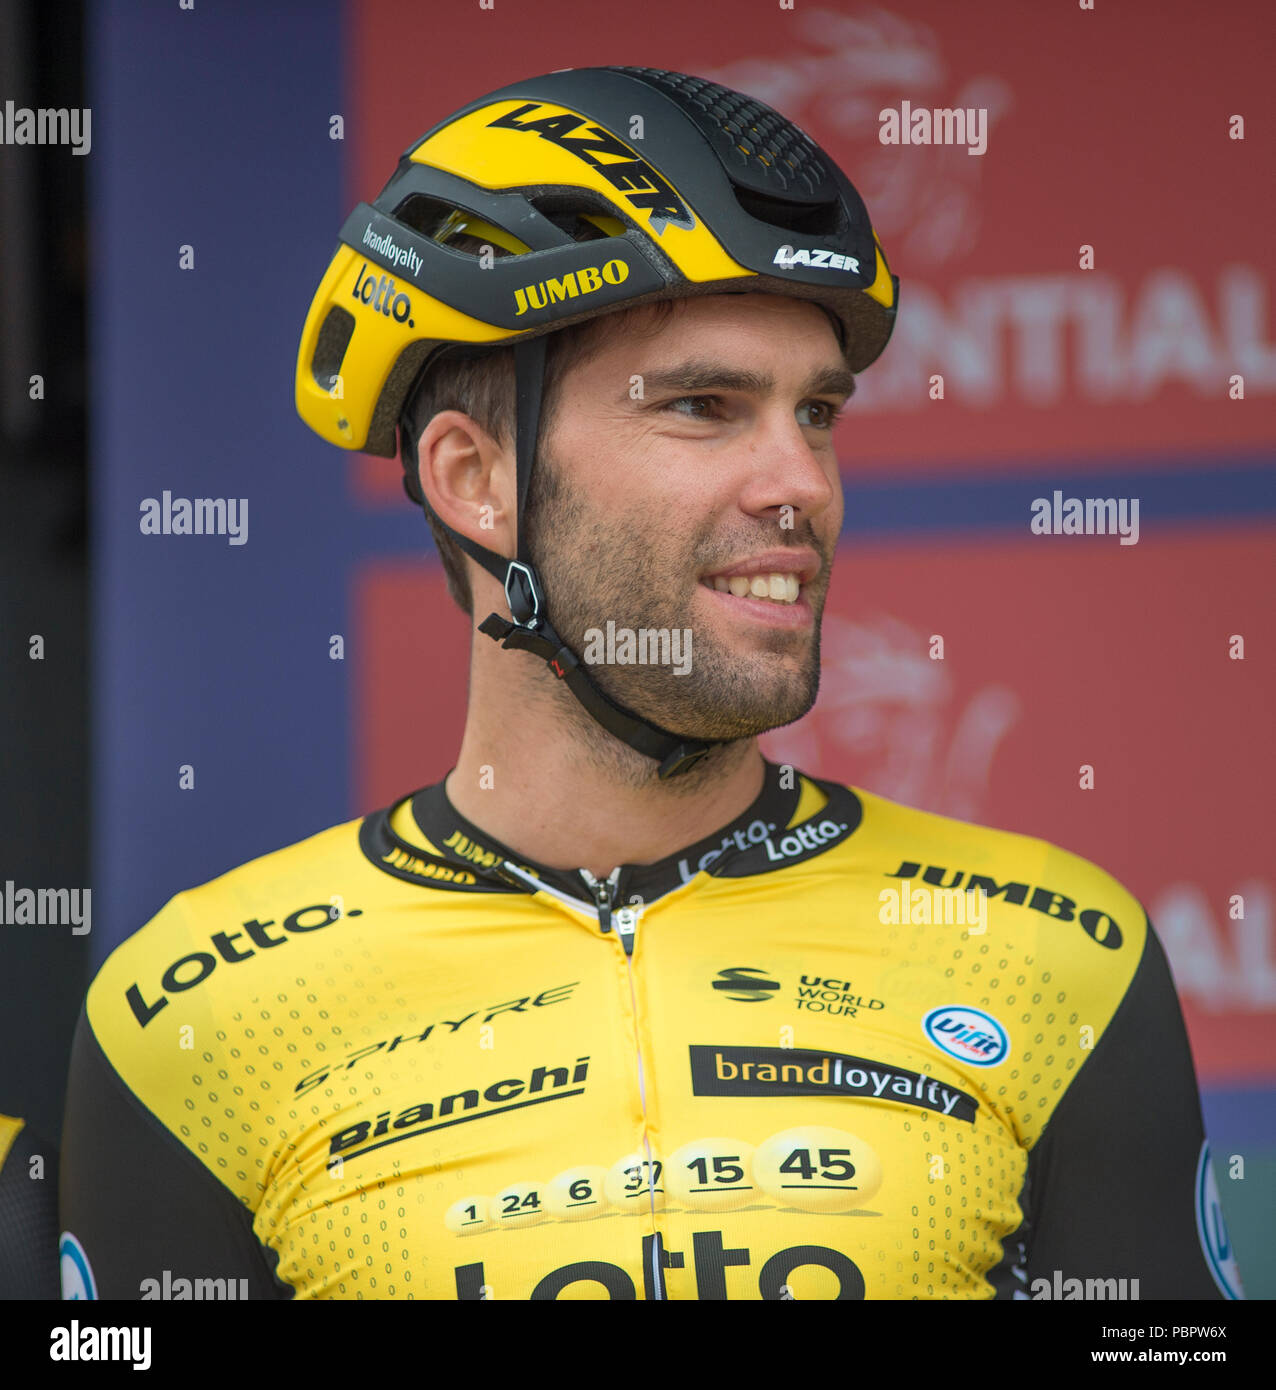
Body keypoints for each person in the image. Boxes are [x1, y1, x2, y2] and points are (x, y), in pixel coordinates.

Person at [58, 65, 1240, 1301]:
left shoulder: (1054, 955)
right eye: (703, 405)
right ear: (476, 480)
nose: (802, 482)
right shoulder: (192, 1014)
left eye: (818, 413)